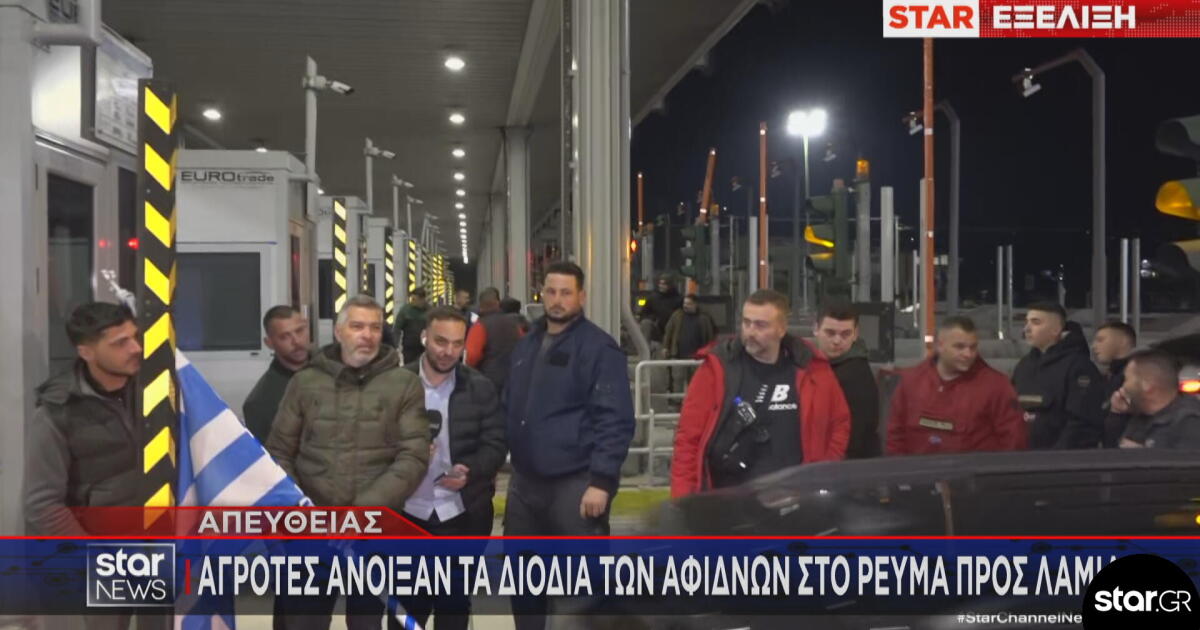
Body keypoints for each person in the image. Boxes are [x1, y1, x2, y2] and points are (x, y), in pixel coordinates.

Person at [267, 295, 429, 630]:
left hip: (373, 533)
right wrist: (301, 511)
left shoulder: (404, 384)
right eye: (357, 326)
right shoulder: (305, 383)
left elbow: (413, 456)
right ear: (339, 332)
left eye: (374, 327)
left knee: (366, 622)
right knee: (304, 622)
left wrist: (361, 513)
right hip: (312, 533)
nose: (367, 335)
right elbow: (279, 452)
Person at [503, 262, 635, 630]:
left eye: (566, 292)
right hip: (525, 485)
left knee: (581, 590)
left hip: (576, 485)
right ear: (542, 294)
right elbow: (510, 403)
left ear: (582, 297)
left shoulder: (598, 348)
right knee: (524, 583)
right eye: (551, 291)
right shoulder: (526, 345)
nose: (557, 300)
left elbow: (615, 419)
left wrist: (602, 481)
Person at [671, 290, 851, 498]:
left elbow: (840, 422)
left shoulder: (813, 368)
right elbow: (688, 440)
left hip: (795, 499)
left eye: (760, 325)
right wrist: (683, 498)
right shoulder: (717, 370)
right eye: (746, 323)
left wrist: (823, 470)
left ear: (781, 329)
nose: (750, 332)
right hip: (729, 500)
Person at [400, 307, 507, 630]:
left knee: (454, 606)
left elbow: (496, 444)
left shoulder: (480, 387)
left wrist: (471, 471)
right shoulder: (396, 384)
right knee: (407, 606)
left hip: (462, 515)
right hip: (406, 515)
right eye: (440, 341)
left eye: (457, 344)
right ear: (424, 338)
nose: (448, 351)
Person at [26, 302, 143, 537]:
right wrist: (92, 553)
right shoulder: (59, 410)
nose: (136, 348)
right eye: (121, 343)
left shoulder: (156, 388)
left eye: (135, 337)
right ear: (86, 352)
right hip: (103, 545)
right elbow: (42, 505)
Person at [886, 316, 1027, 455]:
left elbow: (1013, 441)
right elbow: (895, 436)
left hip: (972, 469)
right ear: (939, 345)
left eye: (973, 347)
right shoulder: (910, 382)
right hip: (917, 469)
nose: (968, 354)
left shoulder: (997, 387)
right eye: (959, 347)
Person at [1011, 302, 1106, 449]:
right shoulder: (1024, 365)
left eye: (1036, 322)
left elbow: (1082, 423)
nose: (1027, 329)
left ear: (1056, 330)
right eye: (1027, 322)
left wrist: (1056, 457)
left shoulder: (1079, 367)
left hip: (1060, 459)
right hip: (1022, 455)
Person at [812, 302, 881, 458]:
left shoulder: (854, 376)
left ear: (855, 334)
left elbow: (855, 438)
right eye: (830, 333)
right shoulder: (820, 366)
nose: (837, 341)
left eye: (845, 334)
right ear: (816, 328)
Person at [243, 305, 310, 444]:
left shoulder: (333, 369)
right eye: (284, 336)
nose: (296, 341)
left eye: (299, 331)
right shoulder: (260, 402)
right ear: (269, 343)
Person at [1112, 349, 1200, 449]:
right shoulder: (1139, 416)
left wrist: (1142, 454)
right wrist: (1117, 415)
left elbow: (1187, 458)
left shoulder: (1189, 423)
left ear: (1147, 386)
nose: (1123, 387)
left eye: (1127, 380)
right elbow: (1112, 450)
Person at [465, 288, 524, 391]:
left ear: (480, 305)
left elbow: (471, 356)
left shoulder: (480, 326)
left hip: (488, 382)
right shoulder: (513, 324)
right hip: (513, 379)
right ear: (498, 303)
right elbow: (523, 346)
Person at [1092, 321, 1137, 448]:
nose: (1094, 346)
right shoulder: (1110, 376)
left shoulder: (1136, 375)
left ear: (1123, 341)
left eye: (1101, 340)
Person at [661, 293, 717, 388]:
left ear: (695, 304)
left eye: (688, 304)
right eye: (684, 303)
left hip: (697, 357)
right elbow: (668, 332)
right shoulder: (677, 316)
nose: (685, 306)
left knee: (695, 382)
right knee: (677, 380)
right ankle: (677, 397)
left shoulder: (704, 318)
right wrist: (665, 347)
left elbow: (710, 336)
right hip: (678, 355)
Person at [639, 274, 682, 344]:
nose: (661, 286)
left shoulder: (678, 299)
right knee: (645, 323)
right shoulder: (653, 298)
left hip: (672, 331)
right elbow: (644, 313)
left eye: (664, 284)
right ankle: (644, 348)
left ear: (670, 285)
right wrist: (653, 319)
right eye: (660, 283)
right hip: (657, 329)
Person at [394, 287, 429, 364]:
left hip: (425, 348)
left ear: (422, 299)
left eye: (414, 299)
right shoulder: (405, 311)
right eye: (411, 299)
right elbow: (397, 329)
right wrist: (395, 345)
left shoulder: (430, 311)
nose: (412, 302)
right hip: (409, 348)